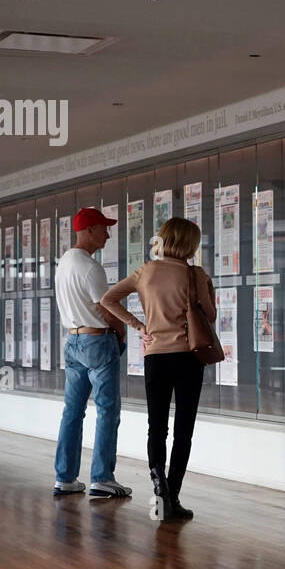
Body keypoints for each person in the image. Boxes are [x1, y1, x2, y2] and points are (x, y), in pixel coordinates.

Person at [100, 217, 215, 522]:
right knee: (183, 429)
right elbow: (210, 317)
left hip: (156, 358)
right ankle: (172, 496)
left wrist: (139, 325)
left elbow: (107, 299)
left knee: (157, 426)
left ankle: (158, 485)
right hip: (189, 358)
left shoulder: (146, 271)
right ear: (189, 244)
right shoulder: (196, 275)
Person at [53, 206, 131, 499]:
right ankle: (102, 477)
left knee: (72, 412)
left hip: (72, 342)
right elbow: (104, 306)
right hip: (97, 342)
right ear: (88, 231)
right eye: (103, 228)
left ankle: (65, 477)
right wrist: (122, 328)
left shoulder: (64, 263)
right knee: (108, 411)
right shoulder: (89, 266)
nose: (107, 234)